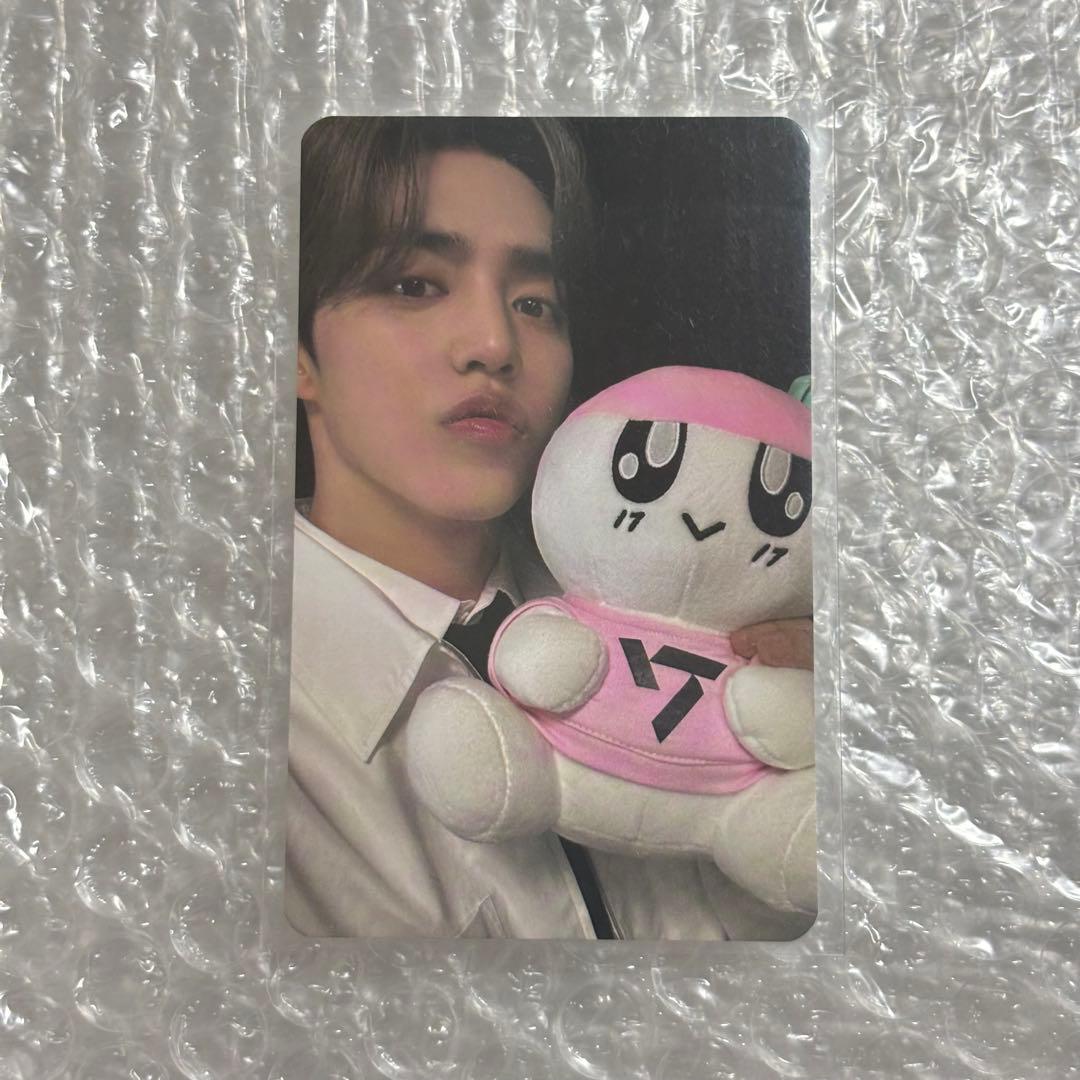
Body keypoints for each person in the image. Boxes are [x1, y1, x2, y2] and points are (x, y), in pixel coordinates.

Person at [285, 116, 814, 939]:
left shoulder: (700, 619)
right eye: (415, 285)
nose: (496, 344)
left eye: (536, 304)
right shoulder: (228, 730)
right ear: (295, 352)